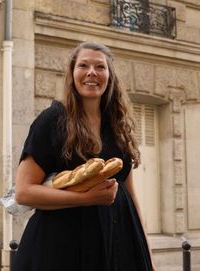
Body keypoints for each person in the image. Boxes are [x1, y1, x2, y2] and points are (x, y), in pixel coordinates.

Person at [13, 41, 156, 271]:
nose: (92, 72)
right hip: (63, 247)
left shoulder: (117, 126)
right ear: (72, 74)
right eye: (83, 65)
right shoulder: (52, 120)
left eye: (100, 67)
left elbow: (131, 196)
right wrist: (86, 199)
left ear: (109, 76)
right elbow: (23, 192)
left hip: (118, 243)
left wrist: (147, 256)